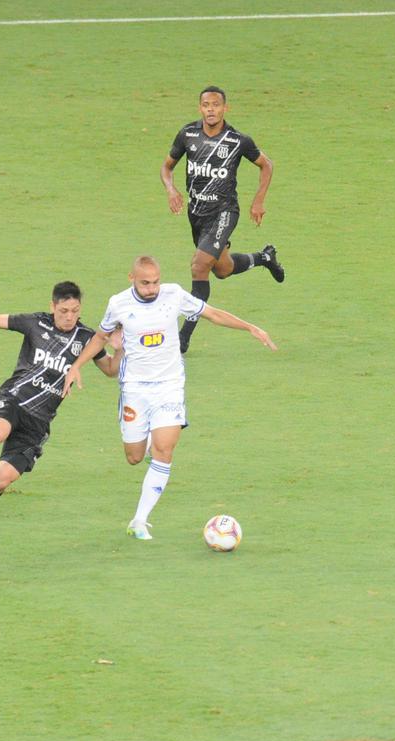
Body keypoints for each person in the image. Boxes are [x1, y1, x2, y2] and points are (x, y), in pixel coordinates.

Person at [62, 255, 276, 540]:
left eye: (155, 282)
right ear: (132, 279)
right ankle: (150, 436)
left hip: (169, 386)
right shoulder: (119, 304)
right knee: (134, 457)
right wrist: (76, 366)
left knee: (165, 450)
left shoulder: (174, 295)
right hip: (135, 389)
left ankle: (139, 520)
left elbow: (212, 313)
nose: (152, 289)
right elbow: (101, 337)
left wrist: (251, 327)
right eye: (145, 283)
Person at [0, 281, 122, 528]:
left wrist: (120, 349)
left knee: (2, 480)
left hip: (39, 421)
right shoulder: (35, 323)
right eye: (64, 311)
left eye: (75, 311)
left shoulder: (87, 339)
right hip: (14, 399)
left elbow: (110, 370)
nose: (69, 317)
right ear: (52, 306)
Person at [161, 85, 284, 353]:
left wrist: (258, 200)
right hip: (197, 215)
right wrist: (171, 189)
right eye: (206, 105)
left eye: (216, 105)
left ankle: (183, 338)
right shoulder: (188, 134)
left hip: (224, 212)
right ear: (200, 108)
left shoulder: (237, 140)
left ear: (225, 108)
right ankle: (264, 258)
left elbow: (267, 164)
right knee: (222, 269)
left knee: (199, 266)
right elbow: (166, 167)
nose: (211, 110)